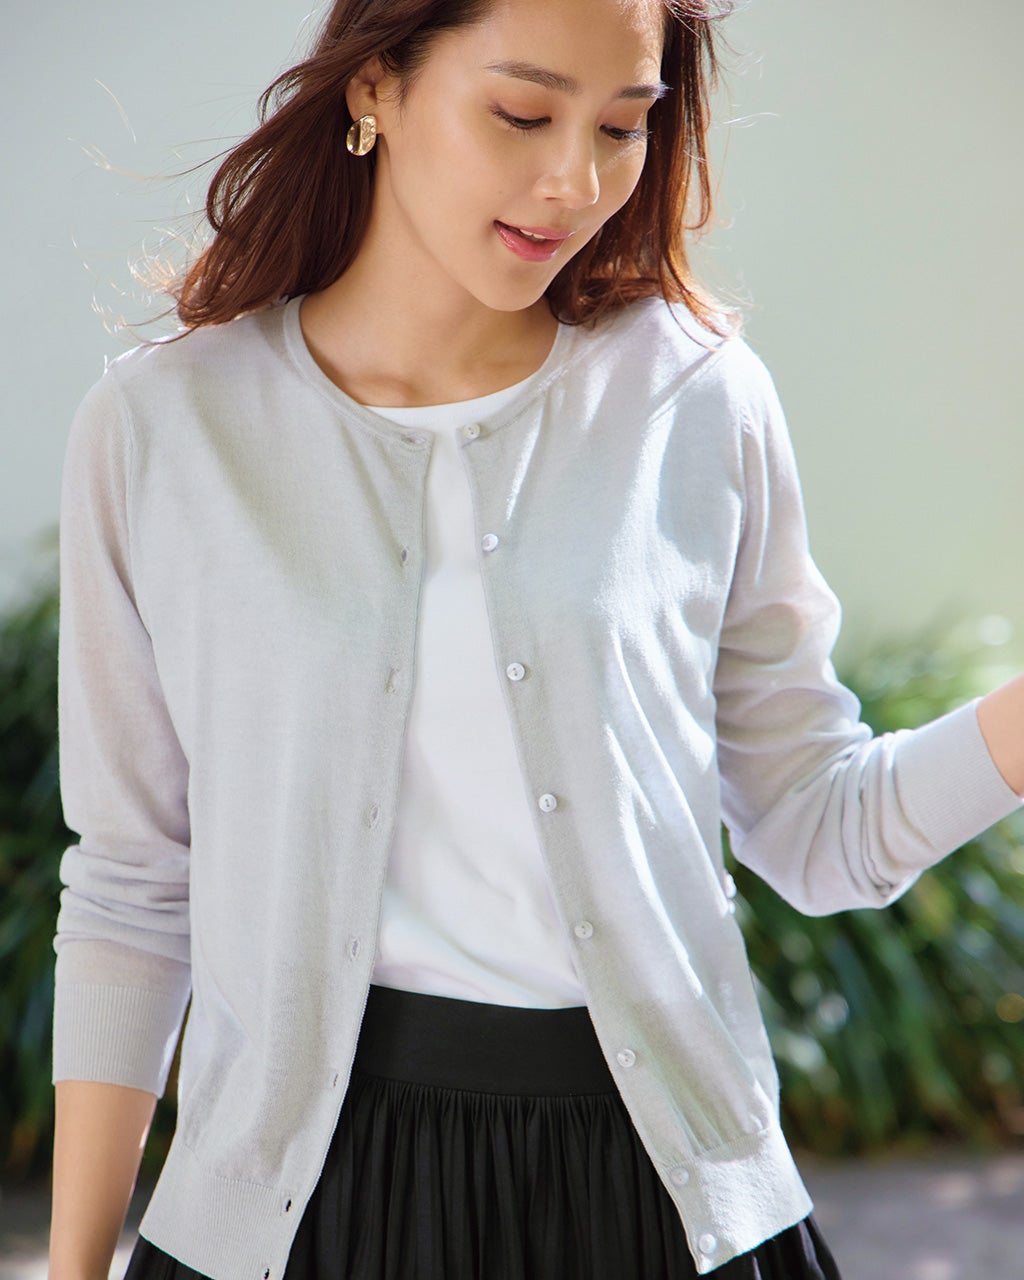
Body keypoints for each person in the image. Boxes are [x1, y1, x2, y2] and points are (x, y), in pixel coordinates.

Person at [47, 0, 1024, 1277]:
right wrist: (75, 1263)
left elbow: (816, 827)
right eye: (521, 113)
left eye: (621, 126)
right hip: (299, 1201)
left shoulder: (694, 396)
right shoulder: (167, 426)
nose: (575, 180)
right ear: (374, 87)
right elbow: (133, 887)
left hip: (660, 1189)